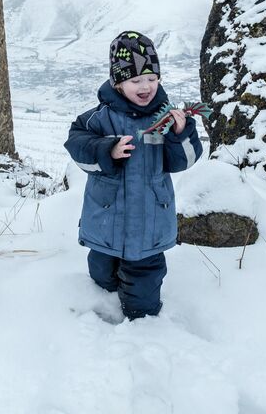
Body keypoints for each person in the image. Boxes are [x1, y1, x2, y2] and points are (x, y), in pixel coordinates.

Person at [64, 31, 204, 320]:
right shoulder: (99, 118)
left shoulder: (165, 120)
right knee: (102, 276)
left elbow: (184, 161)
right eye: (136, 80)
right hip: (106, 221)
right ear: (118, 82)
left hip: (150, 223)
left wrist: (181, 134)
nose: (146, 86)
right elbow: (77, 148)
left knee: (144, 295)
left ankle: (143, 327)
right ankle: (103, 309)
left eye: (152, 79)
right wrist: (106, 150)